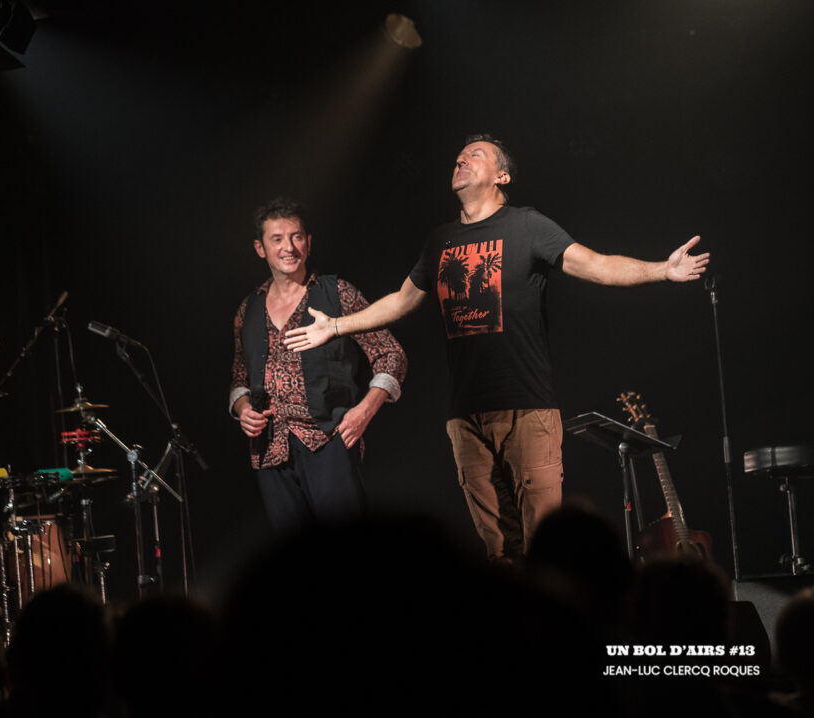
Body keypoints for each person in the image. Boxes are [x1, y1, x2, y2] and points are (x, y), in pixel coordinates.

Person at [284, 134, 709, 563]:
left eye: (475, 155)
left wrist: (662, 270)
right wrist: (335, 326)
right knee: (499, 551)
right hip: (466, 416)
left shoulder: (528, 226)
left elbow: (595, 264)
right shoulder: (440, 240)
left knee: (544, 547)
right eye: (458, 156)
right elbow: (402, 300)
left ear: (501, 176)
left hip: (527, 409)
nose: (461, 160)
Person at [230, 197, 407, 532]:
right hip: (269, 450)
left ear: (309, 243)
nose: (288, 247)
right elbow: (240, 376)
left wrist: (364, 411)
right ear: (260, 248)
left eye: (296, 237)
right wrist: (242, 409)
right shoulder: (248, 309)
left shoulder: (337, 293)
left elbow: (391, 355)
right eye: (277, 239)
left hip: (328, 441)